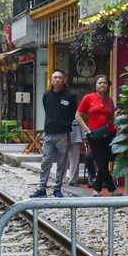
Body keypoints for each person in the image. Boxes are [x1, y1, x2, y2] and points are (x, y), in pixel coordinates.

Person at [33, 70, 77, 198]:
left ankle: (57, 188)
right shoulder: (47, 95)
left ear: (64, 80)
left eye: (60, 78)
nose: (57, 80)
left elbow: (73, 113)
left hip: (63, 135)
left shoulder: (70, 96)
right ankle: (42, 188)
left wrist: (65, 124)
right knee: (46, 161)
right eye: (55, 78)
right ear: (51, 80)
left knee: (62, 163)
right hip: (49, 134)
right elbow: (47, 110)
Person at [76, 73, 117, 196]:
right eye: (100, 83)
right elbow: (78, 115)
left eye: (105, 83)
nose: (102, 85)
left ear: (108, 85)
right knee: (101, 161)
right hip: (94, 134)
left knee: (103, 161)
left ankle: (98, 189)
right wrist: (87, 130)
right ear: (95, 85)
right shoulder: (88, 98)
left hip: (109, 134)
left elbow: (112, 117)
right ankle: (111, 189)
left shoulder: (109, 101)